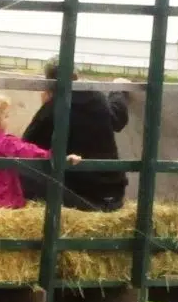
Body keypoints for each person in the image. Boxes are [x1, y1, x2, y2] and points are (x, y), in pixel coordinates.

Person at [21, 63, 131, 211]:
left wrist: (45, 106)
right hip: (113, 195)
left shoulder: (54, 106)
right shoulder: (97, 98)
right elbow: (119, 118)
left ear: (49, 82)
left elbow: (26, 147)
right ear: (76, 76)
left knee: (22, 174)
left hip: (81, 198)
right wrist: (118, 90)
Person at [0, 96, 78, 210]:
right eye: (6, 116)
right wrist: (58, 157)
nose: (8, 120)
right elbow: (30, 151)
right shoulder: (6, 142)